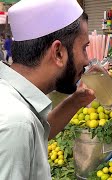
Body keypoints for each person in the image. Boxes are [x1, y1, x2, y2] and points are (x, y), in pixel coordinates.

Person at [0, 0, 95, 179]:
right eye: (84, 48)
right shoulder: (16, 124)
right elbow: (23, 129)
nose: (87, 60)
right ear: (58, 53)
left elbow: (41, 133)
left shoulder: (14, 99)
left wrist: (76, 101)